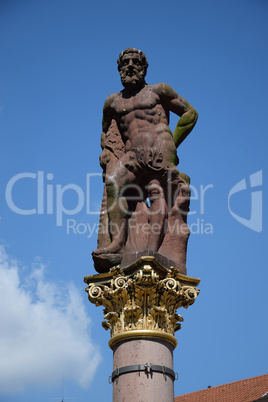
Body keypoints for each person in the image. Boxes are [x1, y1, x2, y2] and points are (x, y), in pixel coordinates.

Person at [92, 47, 198, 266]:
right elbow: (106, 131)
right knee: (114, 184)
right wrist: (106, 151)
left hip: (159, 147)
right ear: (119, 69)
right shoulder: (112, 102)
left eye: (135, 62)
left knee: (156, 190)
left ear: (144, 68)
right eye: (125, 63)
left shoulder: (159, 90)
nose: (130, 66)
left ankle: (152, 247)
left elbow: (190, 114)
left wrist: (171, 145)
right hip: (132, 154)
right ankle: (118, 243)